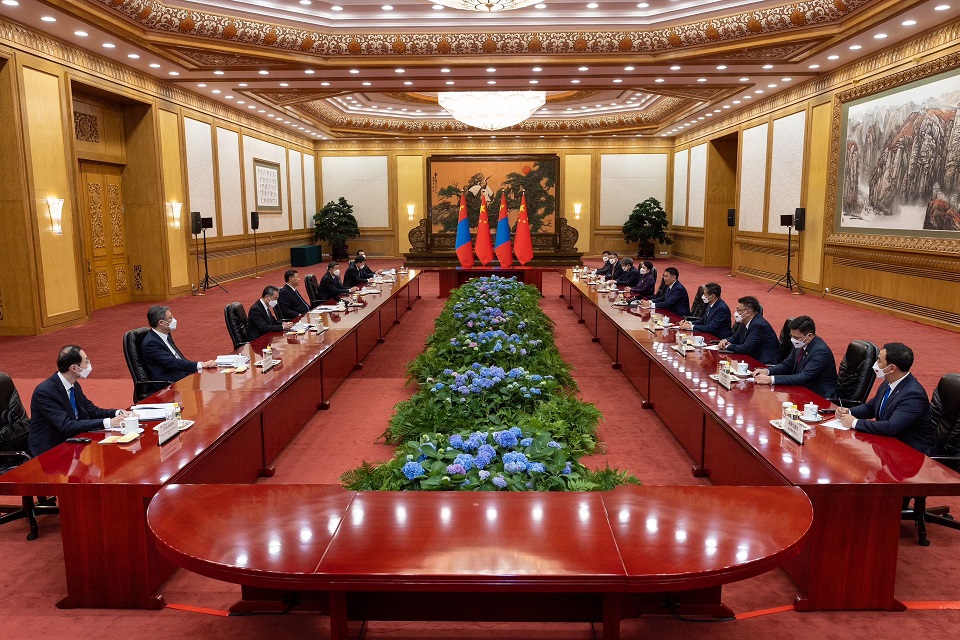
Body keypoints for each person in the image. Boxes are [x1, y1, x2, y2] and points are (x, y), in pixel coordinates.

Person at [28, 345, 130, 456]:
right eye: (86, 362)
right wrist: (109, 422)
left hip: (73, 442)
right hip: (51, 451)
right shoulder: (45, 392)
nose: (89, 364)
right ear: (74, 368)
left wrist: (118, 413)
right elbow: (66, 425)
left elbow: (92, 410)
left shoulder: (73, 385)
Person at [837, 342, 936, 455]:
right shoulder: (889, 382)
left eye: (879, 361)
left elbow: (891, 427)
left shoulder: (913, 395)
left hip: (911, 454)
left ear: (891, 368)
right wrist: (848, 411)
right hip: (889, 447)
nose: (875, 364)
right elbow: (871, 408)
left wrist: (855, 422)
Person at [754, 315, 837, 398]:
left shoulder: (820, 352)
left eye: (796, 337)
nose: (793, 340)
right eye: (792, 336)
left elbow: (804, 377)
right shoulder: (801, 344)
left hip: (819, 396)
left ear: (809, 336)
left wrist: (771, 379)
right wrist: (767, 371)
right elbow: (786, 365)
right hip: (802, 390)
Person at [142, 305, 217, 383]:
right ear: (161, 322)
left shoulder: (165, 334)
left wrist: (198, 366)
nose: (174, 320)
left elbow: (178, 357)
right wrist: (200, 365)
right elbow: (171, 362)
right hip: (170, 382)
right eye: (170, 318)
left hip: (182, 373)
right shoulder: (151, 343)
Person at [717, 296, 779, 364]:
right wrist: (725, 340)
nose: (736, 313)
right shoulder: (745, 321)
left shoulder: (758, 325)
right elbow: (735, 338)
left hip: (763, 363)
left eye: (739, 310)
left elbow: (745, 348)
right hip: (751, 358)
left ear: (748, 312)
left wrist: (727, 346)